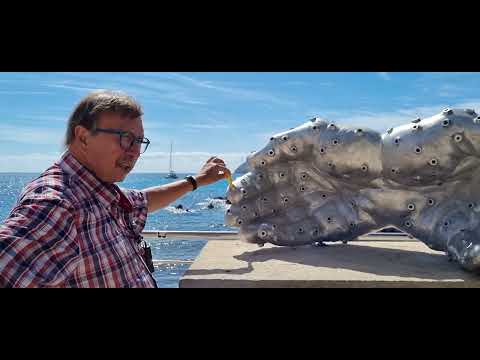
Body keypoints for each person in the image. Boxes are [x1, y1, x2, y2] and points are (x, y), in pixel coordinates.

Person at [0, 90, 231, 288]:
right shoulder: (57, 202)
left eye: (139, 141)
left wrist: (196, 181)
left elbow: (144, 200)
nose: (134, 151)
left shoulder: (100, 194)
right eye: (126, 138)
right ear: (83, 137)